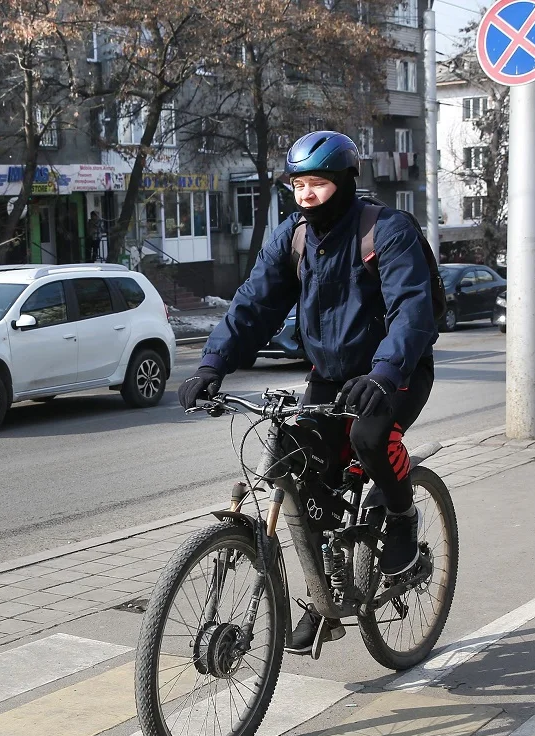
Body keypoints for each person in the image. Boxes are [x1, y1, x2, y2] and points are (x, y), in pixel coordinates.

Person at [176, 131, 437, 650]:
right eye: (298, 183)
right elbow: (253, 306)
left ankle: (402, 518)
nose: (306, 194)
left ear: (344, 183)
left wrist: (384, 374)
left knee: (368, 440)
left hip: (395, 373)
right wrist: (212, 365)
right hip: (331, 378)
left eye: (318, 183)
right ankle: (325, 598)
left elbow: (413, 309)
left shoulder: (385, 231)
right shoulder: (291, 238)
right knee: (287, 463)